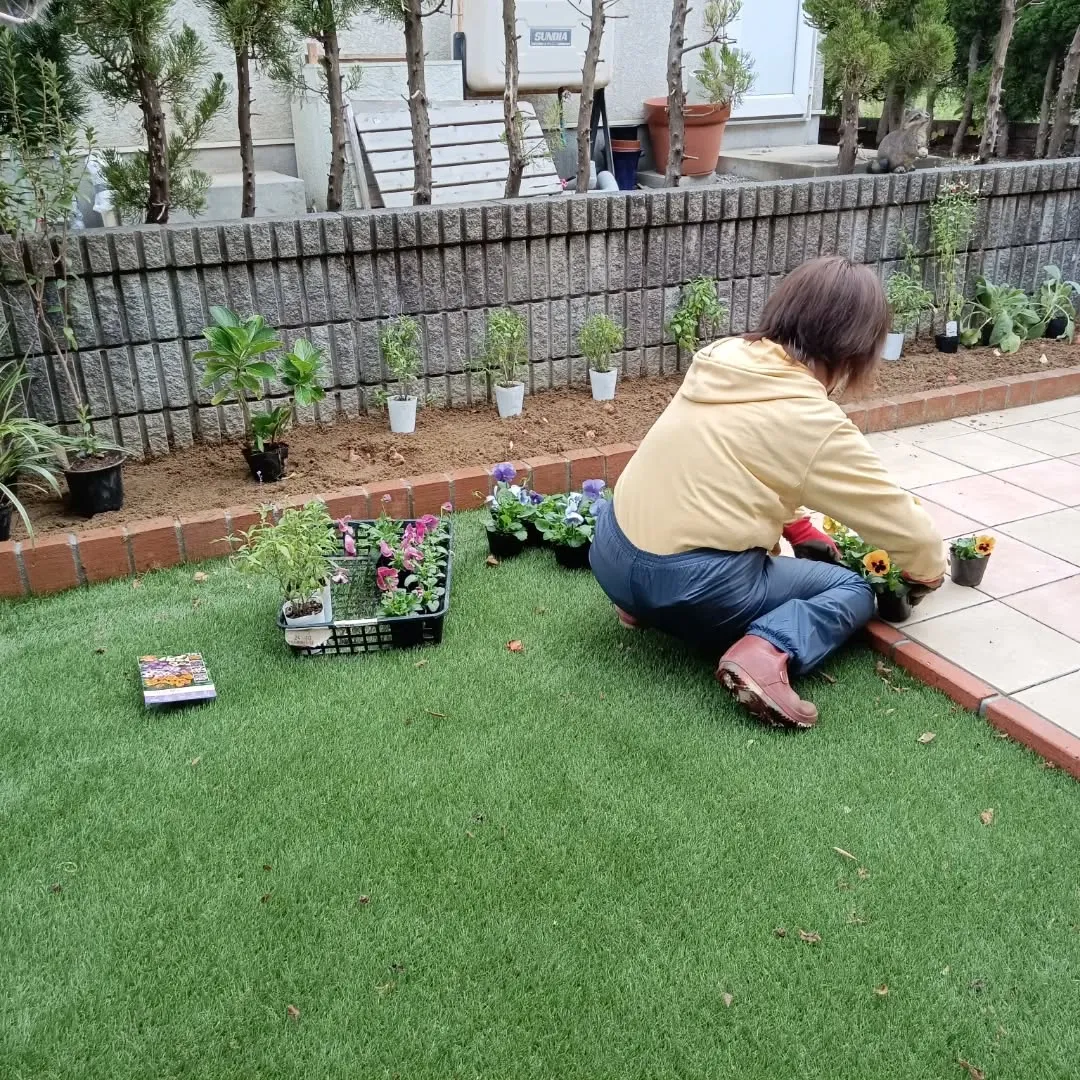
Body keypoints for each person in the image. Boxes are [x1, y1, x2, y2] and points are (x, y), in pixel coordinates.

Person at [589, 256, 945, 729]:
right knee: (852, 590)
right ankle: (764, 653)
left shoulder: (724, 357)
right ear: (858, 348)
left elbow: (736, 462)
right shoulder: (812, 420)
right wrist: (928, 572)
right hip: (689, 588)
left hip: (610, 551)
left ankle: (637, 606)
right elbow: (904, 527)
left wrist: (798, 529)